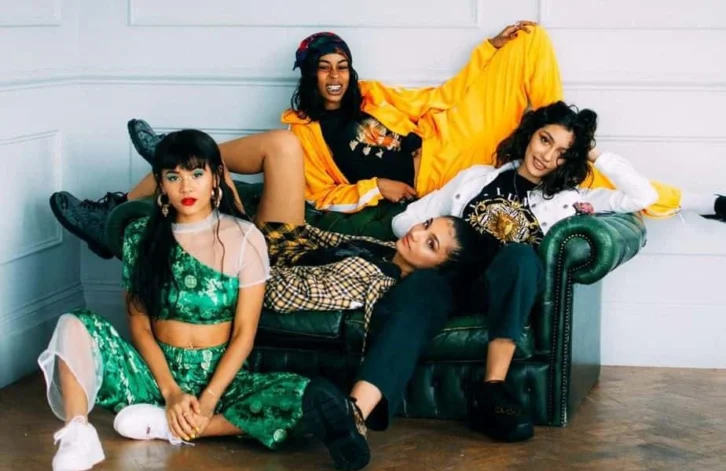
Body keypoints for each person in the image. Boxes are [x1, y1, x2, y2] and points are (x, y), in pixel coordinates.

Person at [49, 22, 725, 259]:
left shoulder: (376, 97)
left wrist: (491, 56)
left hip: (447, 143)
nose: (336, 76)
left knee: (531, 39)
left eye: (342, 65)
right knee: (595, 187)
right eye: (324, 67)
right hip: (437, 182)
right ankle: (137, 189)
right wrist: (377, 185)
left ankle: (562, 135)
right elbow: (325, 199)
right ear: (308, 76)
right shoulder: (302, 137)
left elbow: (442, 99)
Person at [37, 129, 312, 471]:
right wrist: (170, 392)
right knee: (73, 323)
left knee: (303, 396)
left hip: (222, 383)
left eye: (196, 174)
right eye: (173, 176)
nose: (186, 187)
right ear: (160, 183)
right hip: (154, 377)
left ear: (216, 177)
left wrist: (208, 400)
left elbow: (244, 334)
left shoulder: (246, 237)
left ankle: (179, 426)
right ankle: (78, 435)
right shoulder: (139, 236)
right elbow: (139, 325)